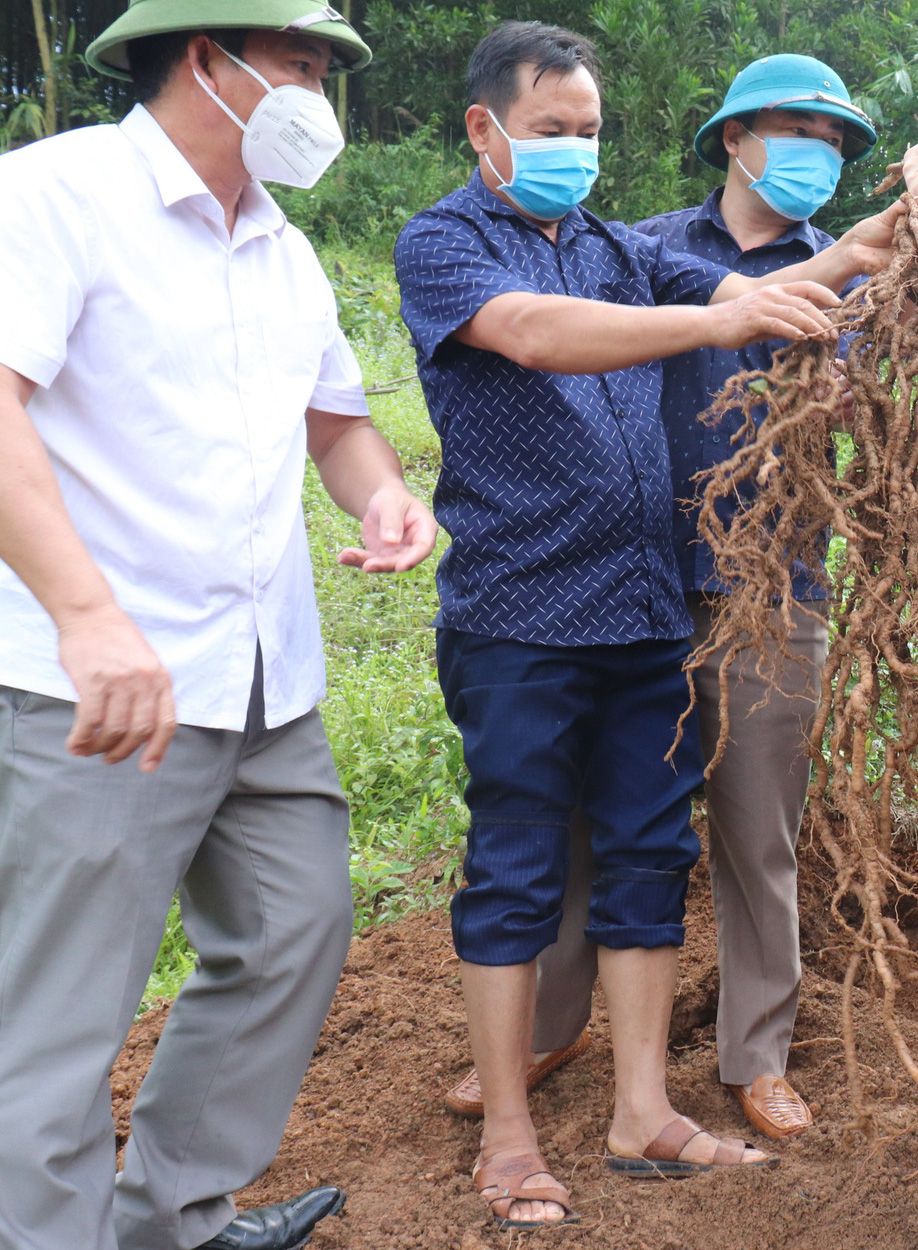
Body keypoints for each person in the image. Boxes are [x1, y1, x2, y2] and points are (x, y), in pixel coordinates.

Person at [394, 21, 918, 1228]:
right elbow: (539, 335)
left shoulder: (609, 245)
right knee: (522, 870)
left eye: (590, 133)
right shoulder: (445, 241)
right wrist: (716, 321)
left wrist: (869, 239)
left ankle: (645, 1109)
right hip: (525, 611)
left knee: (654, 860)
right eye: (553, 131)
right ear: (483, 129)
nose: (577, 152)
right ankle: (509, 1132)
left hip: (650, 610)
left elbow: (758, 293)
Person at [0, 4, 439, 1248]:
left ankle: (172, 1216)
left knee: (294, 929)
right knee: (63, 1013)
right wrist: (85, 615)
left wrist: (388, 492)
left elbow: (336, 421)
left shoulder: (278, 244)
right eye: (304, 67)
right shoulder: (56, 195)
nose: (321, 97)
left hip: (262, 679)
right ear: (210, 60)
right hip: (105, 684)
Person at [453, 53, 884, 1143]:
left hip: (768, 583)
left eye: (833, 141)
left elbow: (872, 414)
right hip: (623, 581)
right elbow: (557, 345)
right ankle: (549, 1028)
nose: (815, 155)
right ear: (733, 138)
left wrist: (869, 280)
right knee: (585, 828)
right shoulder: (635, 249)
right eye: (795, 130)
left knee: (756, 831)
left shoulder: (846, 279)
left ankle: (758, 1054)